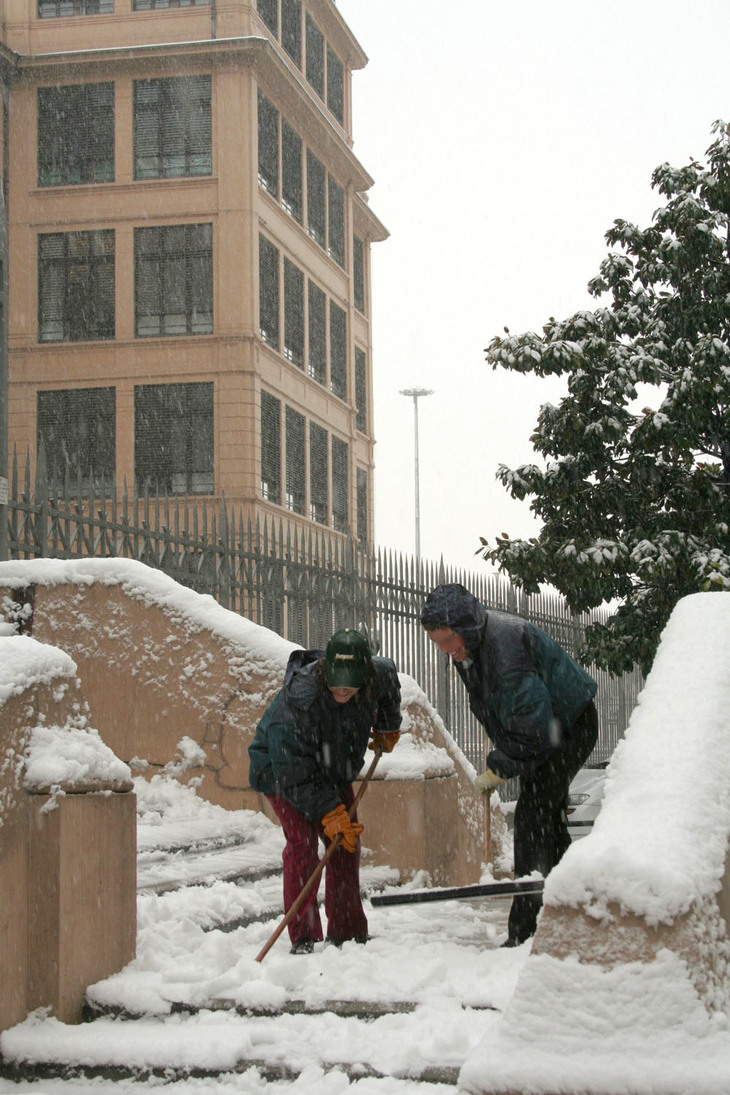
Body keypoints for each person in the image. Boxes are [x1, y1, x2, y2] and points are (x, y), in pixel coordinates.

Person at [421, 582, 598, 947]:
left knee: (533, 820)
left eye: (448, 639)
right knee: (545, 818)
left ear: (466, 627)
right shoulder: (471, 648)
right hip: (545, 729)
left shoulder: (504, 649)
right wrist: (502, 758)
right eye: (437, 642)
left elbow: (532, 729)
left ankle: (525, 932)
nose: (445, 649)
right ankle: (570, 907)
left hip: (568, 727)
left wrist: (498, 767)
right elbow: (502, 710)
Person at [248, 628, 401, 954]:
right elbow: (293, 771)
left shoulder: (378, 674)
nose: (342, 693)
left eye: (350, 687)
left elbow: (389, 689)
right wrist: (329, 812)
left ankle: (347, 930)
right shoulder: (299, 702)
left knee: (345, 843)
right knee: (303, 845)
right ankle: (304, 935)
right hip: (282, 770)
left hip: (332, 767)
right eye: (336, 686)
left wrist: (387, 726)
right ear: (325, 673)